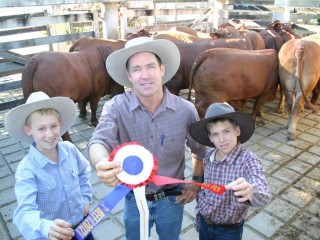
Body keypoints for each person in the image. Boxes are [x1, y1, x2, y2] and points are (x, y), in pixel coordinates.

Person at [87, 37, 206, 240]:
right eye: (137, 69)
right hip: (133, 199)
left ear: (162, 70)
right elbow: (100, 140)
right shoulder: (115, 107)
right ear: (129, 76)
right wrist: (101, 163)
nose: (145, 75)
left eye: (151, 66)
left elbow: (199, 149)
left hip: (171, 199)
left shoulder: (186, 110)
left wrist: (196, 179)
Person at [5, 91, 93, 240]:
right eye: (41, 128)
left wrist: (85, 198)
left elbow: (84, 171)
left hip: (83, 223)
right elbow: (24, 212)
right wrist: (45, 227)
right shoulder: (27, 169)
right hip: (53, 235)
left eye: (53, 126)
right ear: (28, 130)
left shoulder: (70, 149)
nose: (49, 134)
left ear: (60, 123)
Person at [189, 102, 272, 240]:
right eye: (215, 134)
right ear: (210, 137)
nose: (221, 139)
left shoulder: (249, 160)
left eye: (226, 131)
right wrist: (199, 215)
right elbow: (205, 192)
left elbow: (264, 193)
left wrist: (250, 190)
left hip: (228, 231)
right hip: (204, 223)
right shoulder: (208, 157)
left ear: (237, 131)